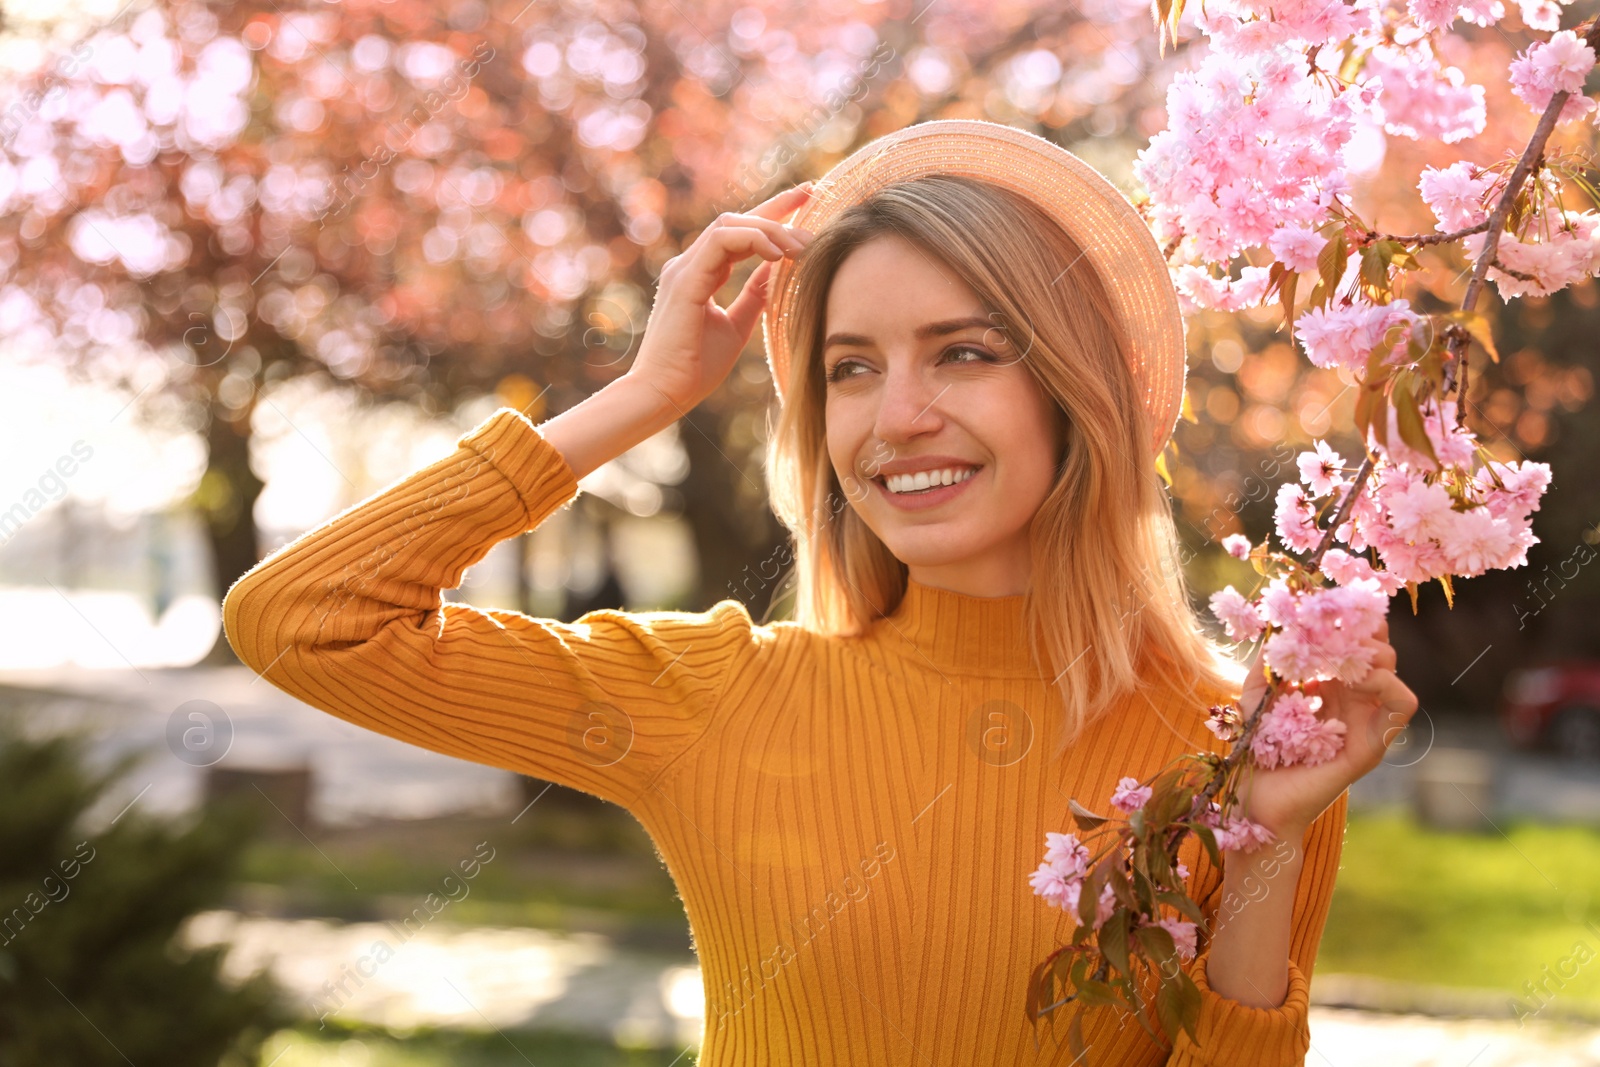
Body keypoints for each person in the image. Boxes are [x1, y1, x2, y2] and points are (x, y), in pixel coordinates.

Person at [223, 119, 1419, 1066]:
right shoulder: (714, 694)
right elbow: (303, 621)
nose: (897, 416)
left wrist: (1263, 836)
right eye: (851, 369)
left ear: (1075, 390)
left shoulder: (1242, 746)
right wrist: (641, 396)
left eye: (963, 350)